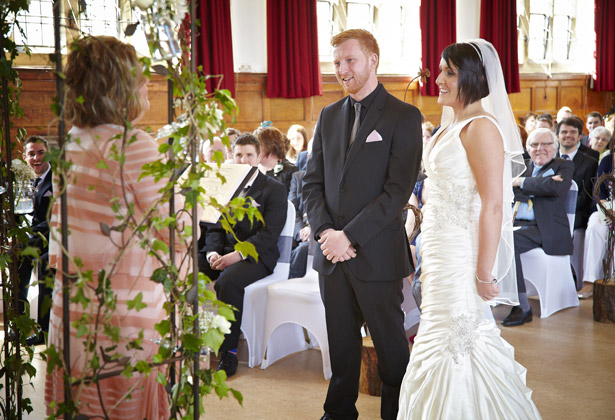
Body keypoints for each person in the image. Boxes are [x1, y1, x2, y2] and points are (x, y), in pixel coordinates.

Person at [44, 36, 192, 418]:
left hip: (73, 311)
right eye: (141, 77)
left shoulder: (71, 142)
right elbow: (178, 232)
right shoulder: (132, 145)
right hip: (122, 316)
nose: (148, 85)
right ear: (120, 85)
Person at [397, 40, 541, 419]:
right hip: (439, 251)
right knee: (435, 336)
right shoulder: (451, 124)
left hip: (462, 258)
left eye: (449, 73)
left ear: (473, 79)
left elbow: (494, 204)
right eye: (441, 71)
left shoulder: (481, 128)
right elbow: (436, 189)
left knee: (457, 342)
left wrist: (483, 273)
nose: (439, 80)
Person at [303, 29, 422, 420]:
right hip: (331, 255)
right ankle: (337, 414)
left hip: (376, 255)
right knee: (341, 348)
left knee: (391, 353)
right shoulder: (328, 114)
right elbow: (312, 183)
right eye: (336, 62)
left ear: (373, 60)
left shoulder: (404, 116)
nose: (341, 69)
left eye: (349, 60)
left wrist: (348, 237)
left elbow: (396, 191)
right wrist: (325, 235)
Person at [198, 133, 287, 377]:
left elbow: (269, 234)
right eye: (238, 155)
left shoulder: (274, 190)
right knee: (187, 268)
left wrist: (236, 256)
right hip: (222, 251)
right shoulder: (224, 185)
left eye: (249, 155)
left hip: (257, 256)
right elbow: (213, 226)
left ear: (258, 157)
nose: (243, 160)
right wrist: (213, 253)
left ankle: (229, 352)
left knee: (228, 280)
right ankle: (193, 344)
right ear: (231, 157)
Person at [505, 128, 574, 326]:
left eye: (545, 144)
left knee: (509, 242)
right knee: (494, 237)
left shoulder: (564, 165)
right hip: (519, 223)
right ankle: (494, 296)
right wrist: (538, 185)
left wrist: (520, 183)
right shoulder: (522, 165)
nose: (539, 149)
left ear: (556, 147)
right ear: (527, 148)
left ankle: (522, 306)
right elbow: (507, 191)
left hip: (547, 228)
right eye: (534, 145)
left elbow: (555, 188)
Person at [17, 136, 53, 346]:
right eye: (31, 154)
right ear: (25, 157)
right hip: (31, 238)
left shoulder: (58, 177)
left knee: (45, 280)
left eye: (40, 152)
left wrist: (29, 236)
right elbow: (22, 211)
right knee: (17, 273)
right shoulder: (27, 179)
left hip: (52, 239)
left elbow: (55, 217)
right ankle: (19, 327)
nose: (36, 158)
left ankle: (44, 331)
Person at [581, 149, 615, 298]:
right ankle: (590, 282)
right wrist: (606, 208)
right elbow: (598, 189)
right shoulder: (608, 160)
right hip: (605, 208)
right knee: (595, 227)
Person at [254, 125, 298, 193]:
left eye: (258, 146)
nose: (254, 150)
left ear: (270, 147)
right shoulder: (253, 169)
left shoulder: (290, 171)